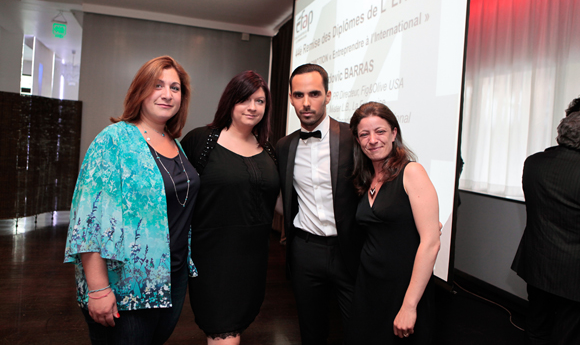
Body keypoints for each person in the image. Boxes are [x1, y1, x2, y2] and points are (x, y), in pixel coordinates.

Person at [64, 56, 200, 344]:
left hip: (171, 279)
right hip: (124, 286)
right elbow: (88, 221)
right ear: (140, 90)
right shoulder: (113, 140)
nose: (167, 94)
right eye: (157, 85)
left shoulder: (175, 144)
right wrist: (98, 289)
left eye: (175, 88)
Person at [181, 70, 279, 345]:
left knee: (236, 327)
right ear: (230, 102)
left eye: (259, 101)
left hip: (253, 262)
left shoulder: (268, 150)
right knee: (225, 334)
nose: (252, 107)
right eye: (244, 99)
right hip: (213, 259)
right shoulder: (201, 141)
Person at [276, 63, 363, 344]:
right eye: (298, 95)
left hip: (349, 249)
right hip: (305, 251)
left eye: (314, 94)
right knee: (311, 331)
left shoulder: (353, 137)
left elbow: (383, 181)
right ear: (290, 98)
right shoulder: (283, 146)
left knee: (359, 328)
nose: (306, 103)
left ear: (328, 95)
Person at [347, 102, 440, 344]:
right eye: (364, 134)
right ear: (358, 140)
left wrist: (409, 305)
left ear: (394, 134)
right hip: (368, 286)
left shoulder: (412, 172)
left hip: (403, 288)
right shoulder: (366, 178)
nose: (372, 140)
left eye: (380, 131)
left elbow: (431, 242)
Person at [511, 97, 580, 345]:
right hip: (573, 274)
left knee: (537, 325)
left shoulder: (534, 163)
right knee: (568, 332)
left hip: (538, 262)